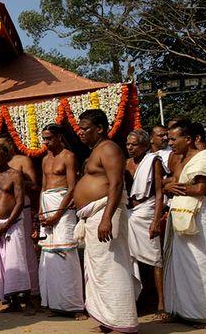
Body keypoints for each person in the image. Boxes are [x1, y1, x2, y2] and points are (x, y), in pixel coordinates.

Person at [74, 109, 139, 333]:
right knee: (100, 271)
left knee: (113, 268)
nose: (79, 132)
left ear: (99, 129)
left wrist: (106, 218)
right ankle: (107, 319)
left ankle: (123, 322)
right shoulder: (95, 151)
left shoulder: (109, 148)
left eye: (85, 129)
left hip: (106, 215)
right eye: (79, 128)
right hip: (94, 216)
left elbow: (116, 184)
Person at [162, 119, 206, 329]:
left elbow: (201, 189)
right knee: (179, 265)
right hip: (179, 215)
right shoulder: (178, 159)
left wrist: (173, 187)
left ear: (188, 139)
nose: (169, 142)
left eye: (173, 138)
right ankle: (181, 310)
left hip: (198, 215)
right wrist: (169, 187)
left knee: (201, 264)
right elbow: (169, 183)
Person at [36, 124, 85, 319]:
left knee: (66, 252)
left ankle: (74, 306)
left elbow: (72, 187)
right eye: (44, 139)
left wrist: (57, 215)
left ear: (59, 137)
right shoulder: (45, 159)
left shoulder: (68, 156)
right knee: (49, 255)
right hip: (47, 205)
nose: (45, 143)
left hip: (63, 209)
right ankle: (55, 303)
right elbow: (43, 186)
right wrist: (41, 210)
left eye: (48, 138)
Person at [0, 144, 35, 315]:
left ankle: (27, 302)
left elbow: (20, 202)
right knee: (2, 264)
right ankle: (12, 303)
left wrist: (7, 224)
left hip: (12, 224)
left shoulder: (15, 175)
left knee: (17, 262)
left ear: (6, 157)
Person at [124, 129, 166, 318]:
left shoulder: (153, 161)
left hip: (147, 210)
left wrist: (156, 220)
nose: (130, 148)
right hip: (130, 213)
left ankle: (161, 304)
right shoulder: (125, 164)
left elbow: (159, 192)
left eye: (134, 145)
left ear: (144, 145)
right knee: (130, 257)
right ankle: (135, 301)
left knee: (154, 258)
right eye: (128, 144)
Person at [0, 136, 40, 300]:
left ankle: (32, 291)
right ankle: (12, 292)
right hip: (2, 216)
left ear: (10, 145)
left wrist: (17, 181)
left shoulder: (22, 160)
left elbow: (34, 185)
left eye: (3, 146)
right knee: (6, 254)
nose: (0, 150)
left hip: (22, 209)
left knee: (25, 249)